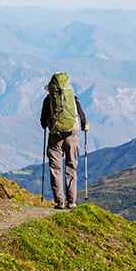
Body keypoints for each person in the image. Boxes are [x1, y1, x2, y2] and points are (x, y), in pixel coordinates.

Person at [40, 72, 88, 209]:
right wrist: (85, 126)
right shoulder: (72, 98)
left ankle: (60, 201)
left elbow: (42, 122)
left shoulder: (49, 99)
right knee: (71, 168)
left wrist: (49, 124)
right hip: (72, 136)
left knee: (55, 168)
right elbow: (83, 118)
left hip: (55, 136)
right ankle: (71, 202)